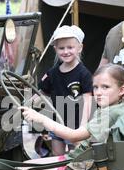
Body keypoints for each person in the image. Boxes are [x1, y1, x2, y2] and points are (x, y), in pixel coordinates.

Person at [0, 64, 124, 170]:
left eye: (105, 87)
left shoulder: (110, 113)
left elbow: (74, 135)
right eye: (95, 87)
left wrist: (41, 118)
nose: (99, 92)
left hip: (77, 166)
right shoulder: (115, 109)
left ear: (121, 90)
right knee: (22, 168)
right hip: (81, 161)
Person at [38, 25, 93, 156]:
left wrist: (83, 126)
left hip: (76, 125)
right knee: (58, 156)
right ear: (55, 49)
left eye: (70, 47)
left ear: (80, 48)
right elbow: (41, 93)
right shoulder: (52, 73)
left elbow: (88, 100)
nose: (66, 51)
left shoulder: (83, 74)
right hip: (57, 123)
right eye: (61, 48)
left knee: (76, 157)